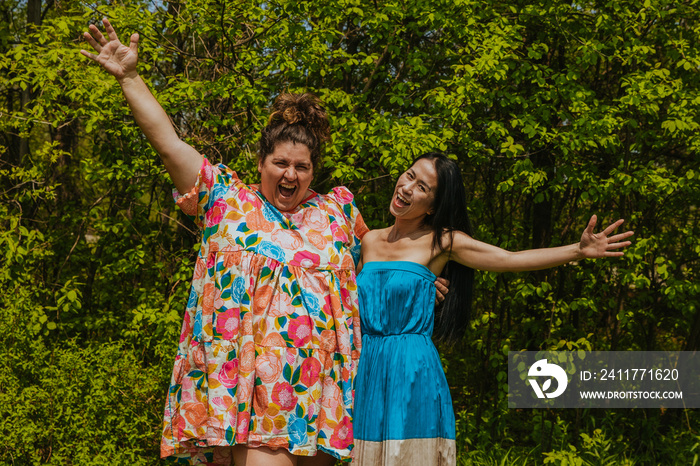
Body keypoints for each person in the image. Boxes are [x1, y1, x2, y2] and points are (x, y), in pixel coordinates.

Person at [81, 18, 367, 466]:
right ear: (261, 162)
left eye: (302, 166)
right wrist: (131, 79)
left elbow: (389, 252)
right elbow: (169, 144)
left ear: (314, 170)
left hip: (321, 400)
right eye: (280, 163)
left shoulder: (337, 213)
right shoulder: (226, 200)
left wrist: (426, 276)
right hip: (245, 400)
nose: (290, 174)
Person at [351, 152, 634, 465]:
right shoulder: (369, 242)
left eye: (422, 187)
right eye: (409, 175)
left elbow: (508, 259)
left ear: (433, 205)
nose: (407, 187)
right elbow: (349, 301)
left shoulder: (442, 241)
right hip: (369, 366)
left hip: (411, 368)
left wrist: (578, 251)